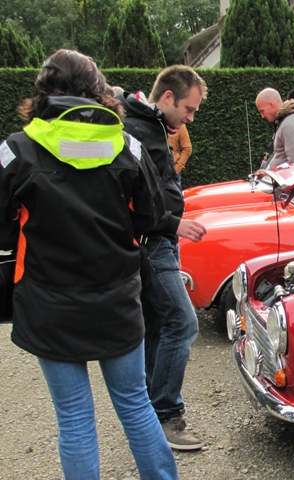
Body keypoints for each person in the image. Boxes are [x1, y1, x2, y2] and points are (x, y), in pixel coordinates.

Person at [0, 49, 178, 479]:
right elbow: (152, 217)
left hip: (49, 304)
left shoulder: (16, 148)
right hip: (116, 299)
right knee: (136, 405)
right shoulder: (128, 144)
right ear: (96, 90)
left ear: (44, 90)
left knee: (74, 418)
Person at [119, 65, 208, 451]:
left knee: (158, 325)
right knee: (182, 322)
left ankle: (151, 416)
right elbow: (139, 196)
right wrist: (173, 224)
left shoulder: (149, 125)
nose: (190, 119)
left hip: (157, 237)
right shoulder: (138, 129)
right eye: (188, 110)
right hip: (153, 241)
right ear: (168, 97)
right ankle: (167, 416)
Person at [256, 87, 294, 169]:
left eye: (262, 111)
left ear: (271, 105)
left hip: (286, 181)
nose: (262, 116)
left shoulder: (288, 124)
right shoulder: (288, 119)